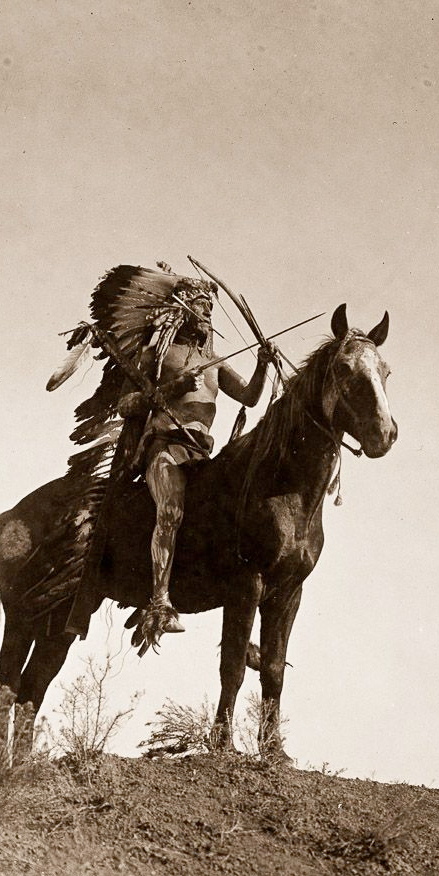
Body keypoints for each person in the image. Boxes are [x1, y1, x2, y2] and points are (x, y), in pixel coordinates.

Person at [127, 274, 277, 648]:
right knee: (172, 511)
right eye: (199, 306)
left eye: (210, 308)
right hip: (165, 449)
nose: (207, 314)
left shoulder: (215, 363)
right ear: (179, 310)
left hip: (202, 456)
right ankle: (159, 602)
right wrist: (173, 388)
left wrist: (262, 366)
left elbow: (250, 397)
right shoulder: (159, 355)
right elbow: (127, 403)